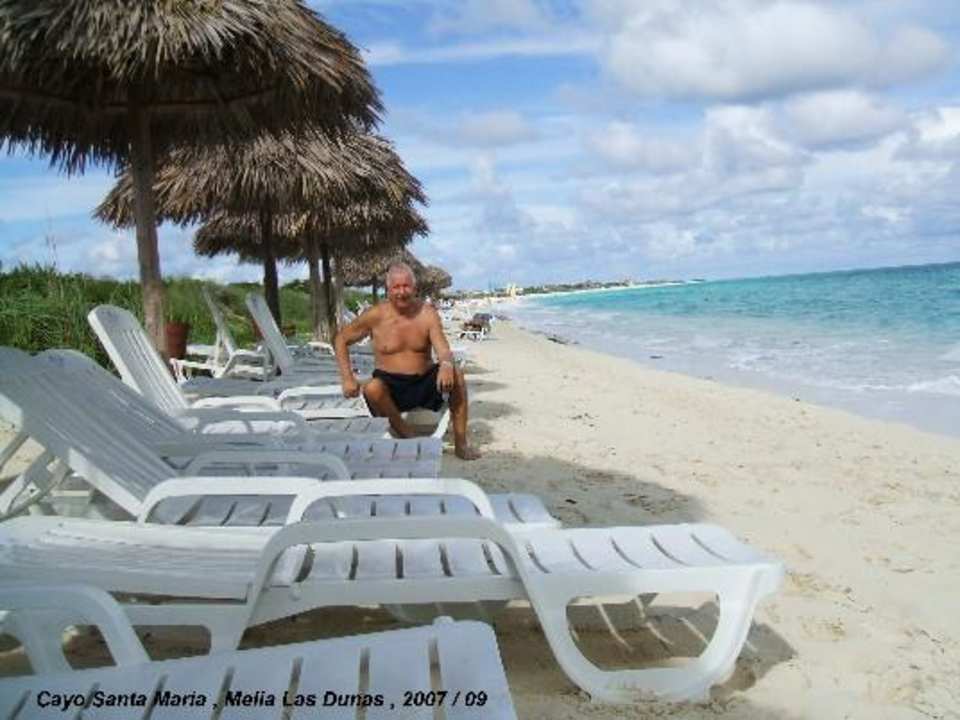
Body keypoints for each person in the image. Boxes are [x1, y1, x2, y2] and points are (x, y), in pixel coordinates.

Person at [334, 262, 480, 460]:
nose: (401, 292)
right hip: (390, 386)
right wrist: (347, 377)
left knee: (457, 375)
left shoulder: (427, 314)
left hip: (423, 382)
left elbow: (443, 348)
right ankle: (407, 435)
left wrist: (446, 364)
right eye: (396, 287)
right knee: (372, 388)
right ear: (388, 289)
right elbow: (341, 339)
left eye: (406, 286)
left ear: (414, 287)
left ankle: (461, 443)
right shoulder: (375, 316)